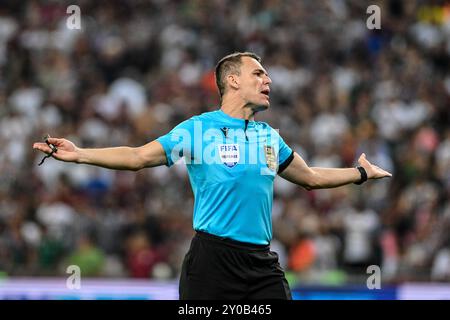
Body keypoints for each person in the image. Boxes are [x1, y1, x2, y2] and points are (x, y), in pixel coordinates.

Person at [33, 52, 392, 299]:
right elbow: (138, 156)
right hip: (212, 262)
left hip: (261, 262)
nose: (268, 79)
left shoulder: (270, 136)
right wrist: (80, 154)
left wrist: (360, 173)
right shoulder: (197, 129)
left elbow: (310, 177)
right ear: (233, 80)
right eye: (259, 73)